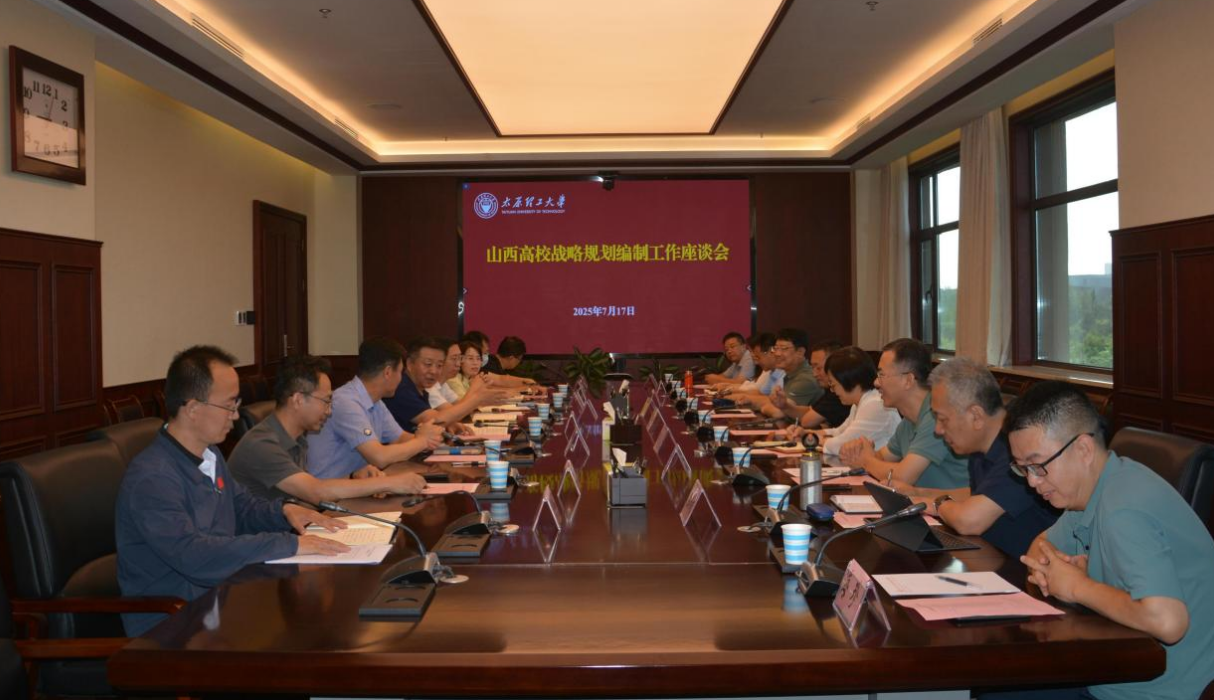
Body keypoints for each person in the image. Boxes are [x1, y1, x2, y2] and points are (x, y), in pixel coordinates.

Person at [1001, 381, 1214, 700]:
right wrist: (1057, 574)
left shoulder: (1122, 508)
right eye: (1023, 469)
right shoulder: (1092, 490)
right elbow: (1040, 548)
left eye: (1038, 466)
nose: (1032, 481)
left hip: (1157, 688)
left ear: (1084, 450)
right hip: (1117, 667)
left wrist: (1078, 587)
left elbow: (1169, 622)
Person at [116, 345, 348, 636]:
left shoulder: (209, 454)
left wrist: (285, 511)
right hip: (172, 628)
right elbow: (194, 555)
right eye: (229, 406)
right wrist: (288, 544)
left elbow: (241, 507)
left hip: (217, 605)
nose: (235, 416)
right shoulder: (153, 478)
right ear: (193, 408)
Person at [890, 357, 1058, 557]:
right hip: (988, 555)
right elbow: (978, 495)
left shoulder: (1018, 450)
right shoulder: (980, 446)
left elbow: (969, 521)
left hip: (1019, 568)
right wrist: (917, 492)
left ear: (976, 416)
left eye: (943, 419)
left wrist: (936, 504)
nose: (938, 430)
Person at [228, 355, 427, 502]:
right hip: (267, 539)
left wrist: (354, 477)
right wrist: (389, 483)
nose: (329, 411)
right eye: (326, 401)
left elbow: (306, 489)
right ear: (298, 399)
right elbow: (314, 491)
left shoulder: (298, 438)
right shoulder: (263, 444)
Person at [306, 337, 443, 480]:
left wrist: (428, 436)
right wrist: (421, 441)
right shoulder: (346, 402)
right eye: (400, 372)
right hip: (327, 489)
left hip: (356, 484)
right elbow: (379, 457)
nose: (401, 379)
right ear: (388, 372)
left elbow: (399, 438)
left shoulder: (376, 401)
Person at [839, 338, 968, 488]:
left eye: (881, 375)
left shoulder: (936, 417)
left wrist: (866, 460)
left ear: (908, 380)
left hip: (953, 502)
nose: (876, 382)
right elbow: (881, 458)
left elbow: (904, 476)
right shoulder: (908, 421)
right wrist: (859, 451)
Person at [788, 346, 900, 456]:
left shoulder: (875, 405)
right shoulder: (860, 403)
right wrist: (807, 434)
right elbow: (839, 432)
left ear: (849, 380)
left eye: (833, 384)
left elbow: (840, 445)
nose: (832, 390)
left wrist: (812, 439)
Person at [383, 336, 508, 429]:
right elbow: (435, 420)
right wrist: (477, 398)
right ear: (409, 364)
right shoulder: (401, 388)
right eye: (428, 364)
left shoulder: (422, 388)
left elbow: (440, 420)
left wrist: (450, 425)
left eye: (439, 365)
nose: (434, 371)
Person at [762, 328, 823, 420]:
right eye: (776, 348)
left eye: (784, 349)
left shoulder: (805, 379)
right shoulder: (791, 373)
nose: (777, 353)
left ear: (800, 352)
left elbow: (779, 412)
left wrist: (764, 407)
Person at [721, 333, 783, 402]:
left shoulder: (781, 372)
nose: (755, 360)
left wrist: (743, 397)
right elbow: (761, 393)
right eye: (751, 351)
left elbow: (776, 403)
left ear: (771, 351)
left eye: (758, 357)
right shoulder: (773, 372)